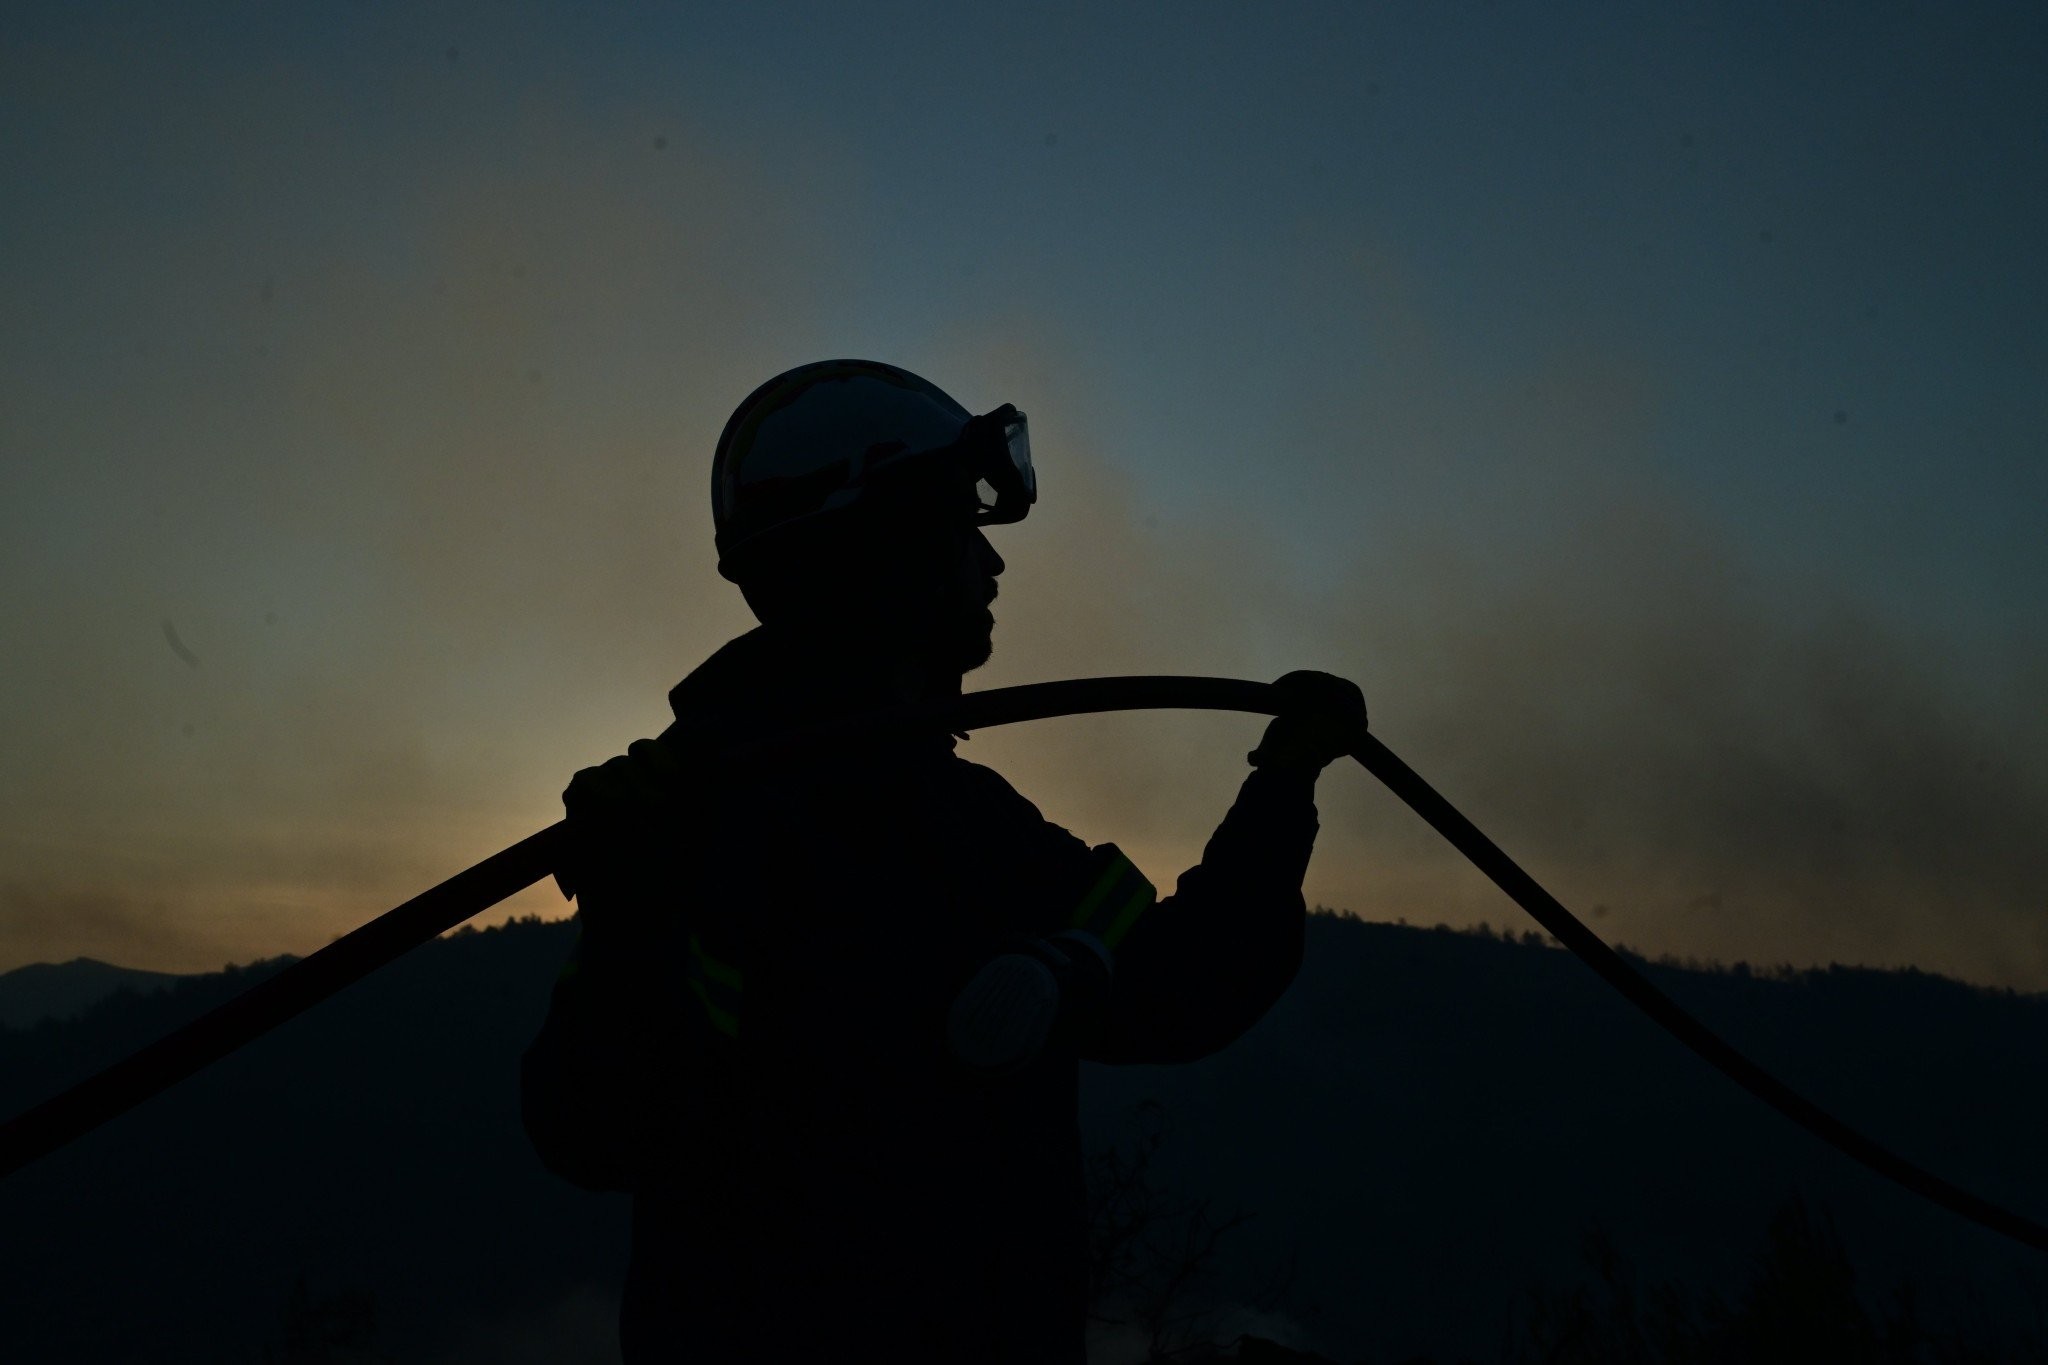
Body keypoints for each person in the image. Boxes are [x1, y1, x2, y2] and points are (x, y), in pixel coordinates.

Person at [520, 359, 1368, 1363]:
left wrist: (1280, 784)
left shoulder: (956, 821)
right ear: (884, 545)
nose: (992, 565)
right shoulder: (706, 824)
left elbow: (1172, 978)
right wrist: (629, 923)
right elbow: (601, 1129)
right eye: (963, 529)